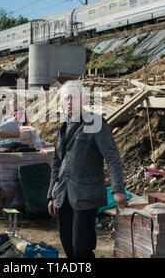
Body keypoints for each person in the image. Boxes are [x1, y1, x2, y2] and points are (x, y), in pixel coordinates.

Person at [47, 81, 128, 259]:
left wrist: (118, 189)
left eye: (73, 98)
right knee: (67, 245)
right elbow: (56, 163)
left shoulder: (96, 123)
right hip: (63, 195)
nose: (69, 102)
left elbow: (113, 158)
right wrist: (52, 194)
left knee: (81, 248)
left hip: (86, 195)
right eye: (66, 99)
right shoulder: (62, 128)